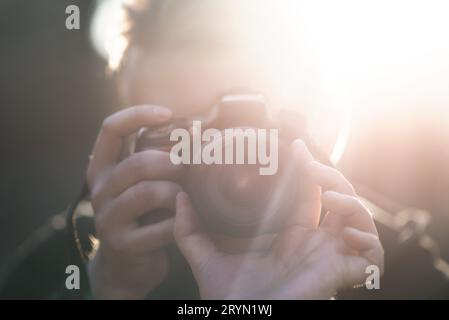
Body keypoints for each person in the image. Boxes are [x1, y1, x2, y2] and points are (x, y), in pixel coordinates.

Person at [83, 0, 383, 299]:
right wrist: (111, 289)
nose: (229, 166)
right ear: (134, 146)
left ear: (329, 125)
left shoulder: (405, 272)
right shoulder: (88, 255)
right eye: (183, 136)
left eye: (247, 128)